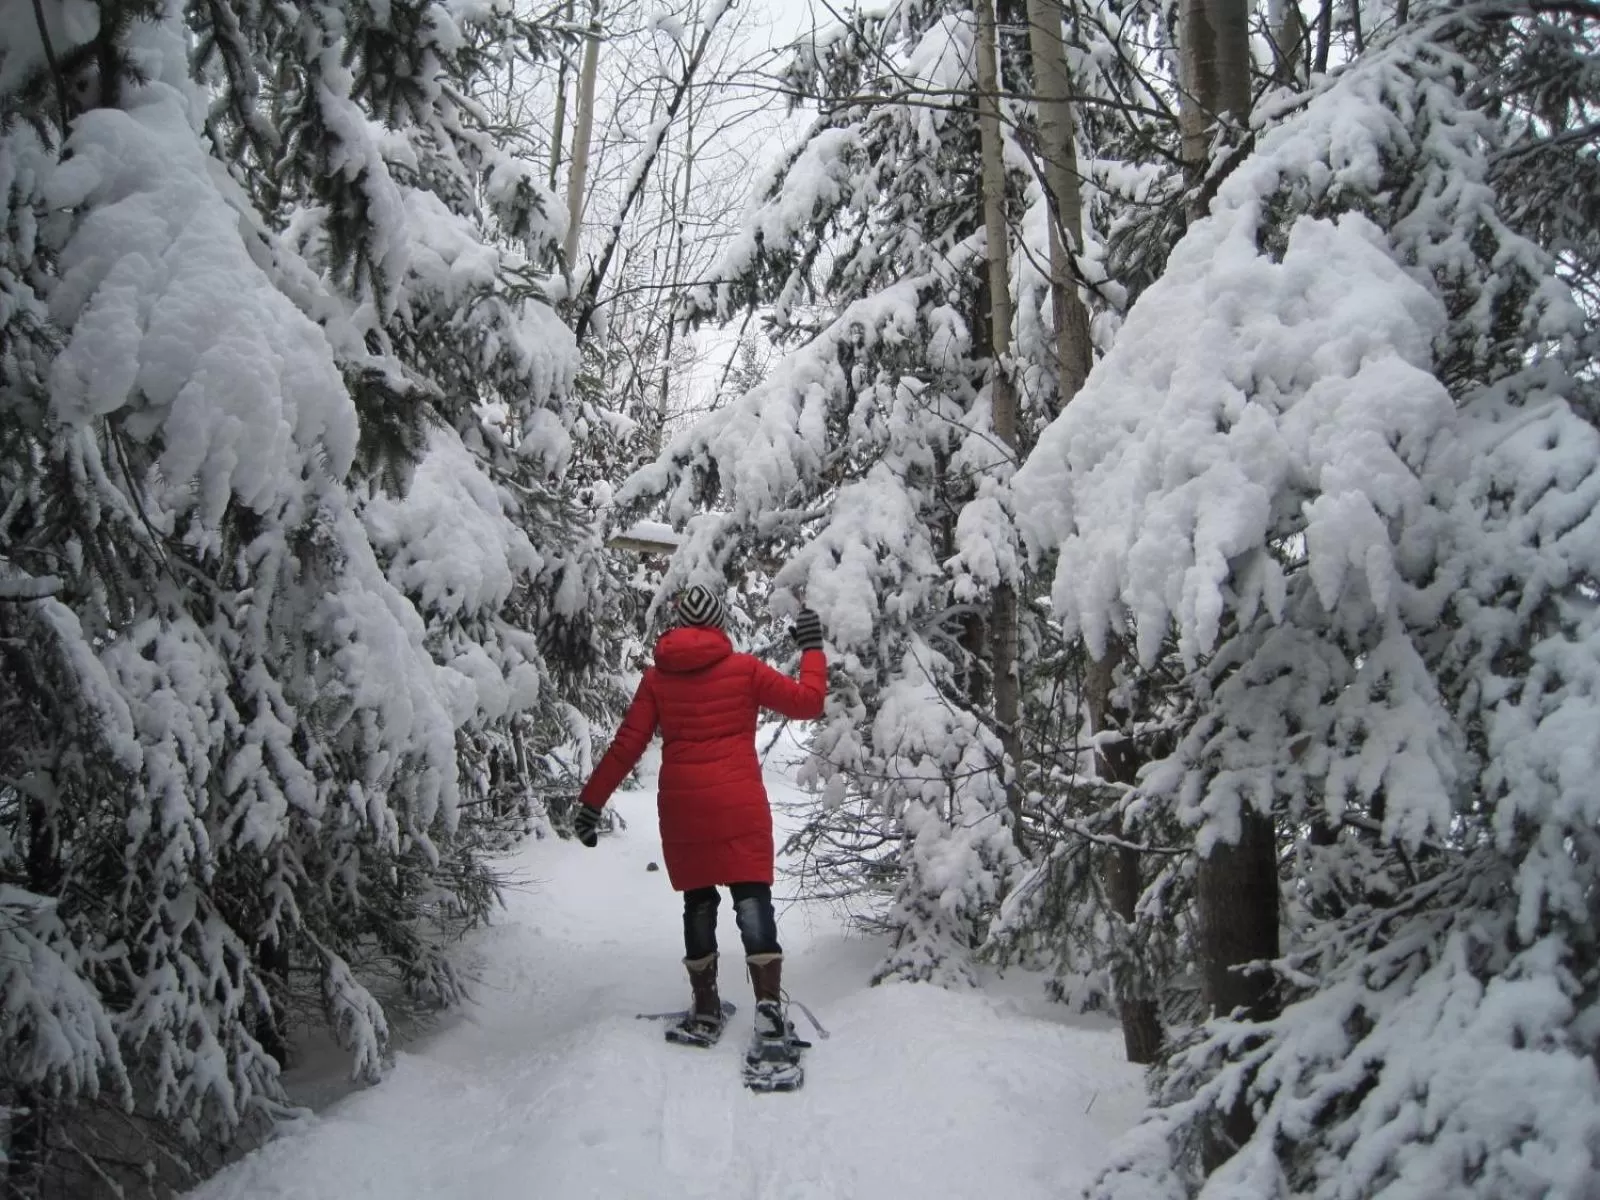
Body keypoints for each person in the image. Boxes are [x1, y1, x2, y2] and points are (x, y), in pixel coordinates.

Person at [573, 584, 827, 1049]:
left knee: (699, 901)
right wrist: (811, 649)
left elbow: (627, 744)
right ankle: (769, 1009)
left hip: (684, 806)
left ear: (680, 628)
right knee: (751, 897)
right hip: (738, 803)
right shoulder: (745, 670)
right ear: (718, 626)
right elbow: (809, 701)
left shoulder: (657, 679)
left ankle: (706, 1005)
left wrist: (592, 803)